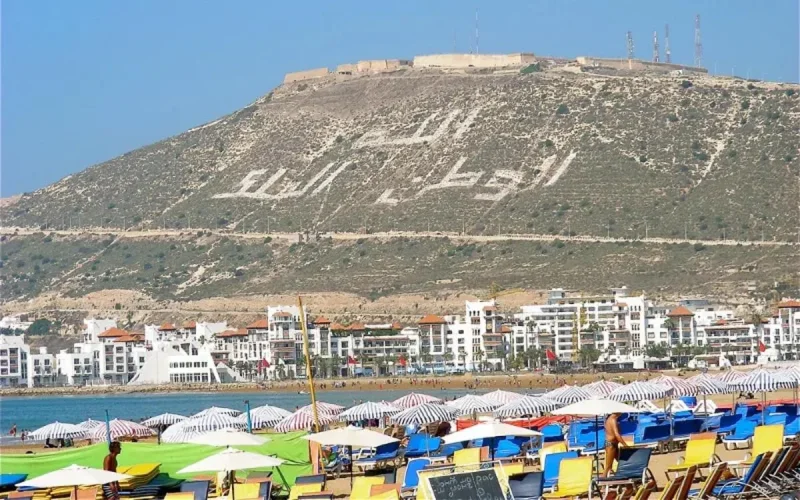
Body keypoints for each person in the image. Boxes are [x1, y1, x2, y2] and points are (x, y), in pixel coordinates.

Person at [604, 413, 628, 477]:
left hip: (613, 444)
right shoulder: (612, 419)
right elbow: (617, 434)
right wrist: (625, 445)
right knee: (608, 466)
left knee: (622, 463)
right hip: (610, 445)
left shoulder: (612, 419)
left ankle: (627, 483)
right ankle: (602, 486)